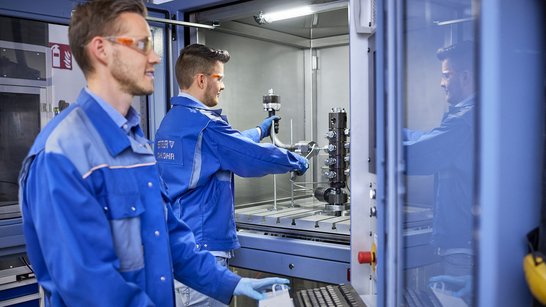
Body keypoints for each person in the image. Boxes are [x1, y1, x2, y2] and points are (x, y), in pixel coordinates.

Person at [18, 1, 288, 306]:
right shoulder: (62, 154)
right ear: (101, 50)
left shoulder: (137, 146)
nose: (155, 57)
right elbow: (90, 288)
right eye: (142, 44)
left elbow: (170, 238)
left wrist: (230, 283)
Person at [154, 44, 309, 306]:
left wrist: (258, 132)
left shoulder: (173, 121)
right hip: (204, 253)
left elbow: (224, 149)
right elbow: (248, 157)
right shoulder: (206, 125)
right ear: (201, 80)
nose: (222, 85)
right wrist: (295, 160)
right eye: (219, 78)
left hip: (181, 252)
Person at [403, 41, 475, 300]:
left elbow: (420, 155)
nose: (441, 82)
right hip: (465, 243)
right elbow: (432, 140)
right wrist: (390, 132)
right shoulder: (470, 115)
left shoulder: (465, 120)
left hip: (464, 250)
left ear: (465, 76)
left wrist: (375, 139)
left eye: (447, 75)